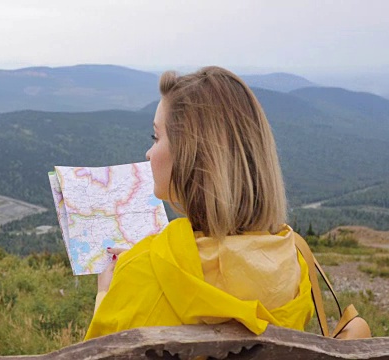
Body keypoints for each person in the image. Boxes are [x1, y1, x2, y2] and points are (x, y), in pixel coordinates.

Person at [84, 66, 315, 340]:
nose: (148, 153)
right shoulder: (294, 264)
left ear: (190, 155)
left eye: (156, 137)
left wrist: (107, 293)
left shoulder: (139, 273)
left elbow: (104, 350)